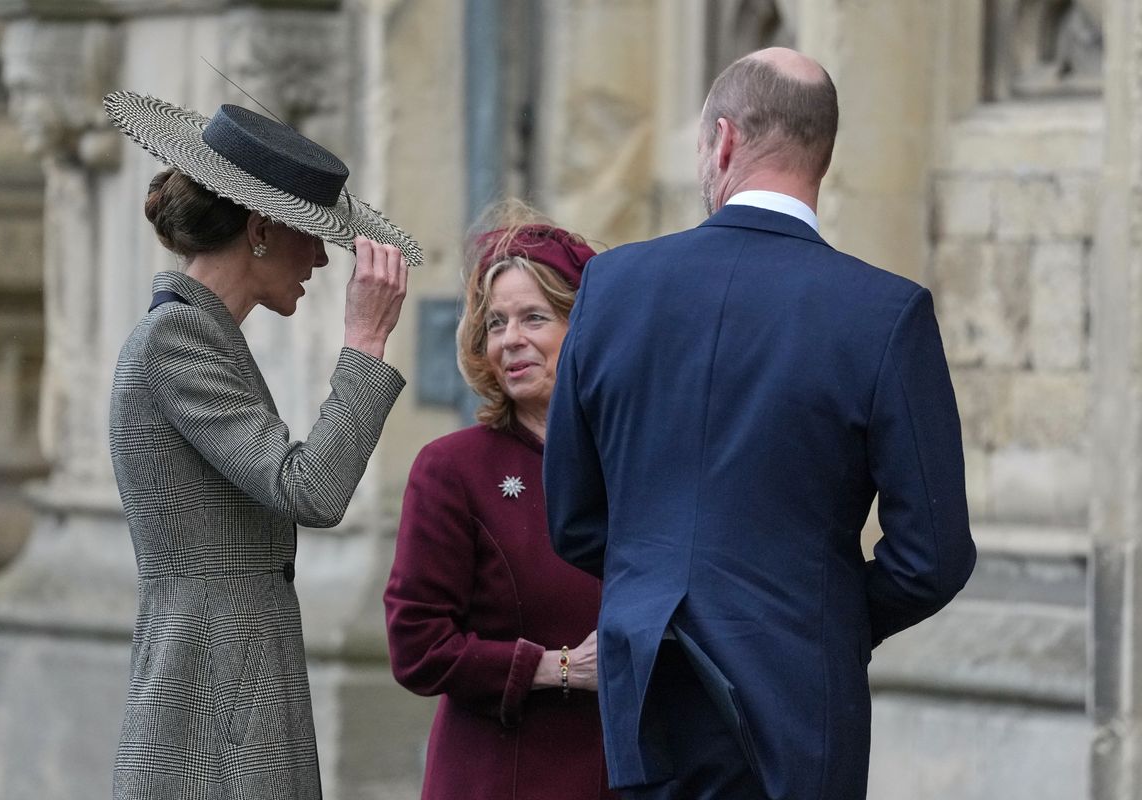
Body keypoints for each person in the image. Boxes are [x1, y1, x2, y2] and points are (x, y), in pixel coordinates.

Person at [543, 48, 977, 800]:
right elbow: (933, 555)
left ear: (722, 141)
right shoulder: (883, 313)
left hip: (646, 689)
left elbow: (575, 517)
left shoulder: (612, 287)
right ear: (824, 156)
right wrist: (824, 620)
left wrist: (657, 584)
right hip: (800, 697)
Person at [103, 91, 421, 800]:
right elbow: (310, 489)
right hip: (207, 705)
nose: (318, 258)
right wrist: (364, 342)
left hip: (230, 691)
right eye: (310, 233)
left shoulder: (202, 337)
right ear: (260, 229)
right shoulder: (176, 339)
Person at [383, 200, 616, 799]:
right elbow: (417, 645)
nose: (510, 340)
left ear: (584, 328)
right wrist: (557, 668)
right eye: (495, 323)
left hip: (624, 773)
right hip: (498, 775)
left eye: (534, 318)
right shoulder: (453, 469)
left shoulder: (636, 464)